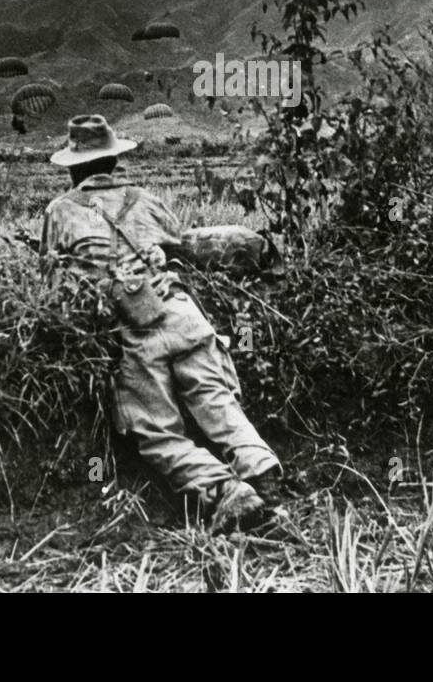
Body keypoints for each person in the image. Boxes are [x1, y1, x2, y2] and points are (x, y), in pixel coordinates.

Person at [41, 114, 282, 531]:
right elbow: (180, 244)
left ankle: (225, 492)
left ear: (73, 168)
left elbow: (52, 284)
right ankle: (263, 472)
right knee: (217, 402)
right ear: (114, 162)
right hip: (183, 314)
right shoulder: (146, 199)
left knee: (156, 432)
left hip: (135, 330)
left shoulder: (60, 211)